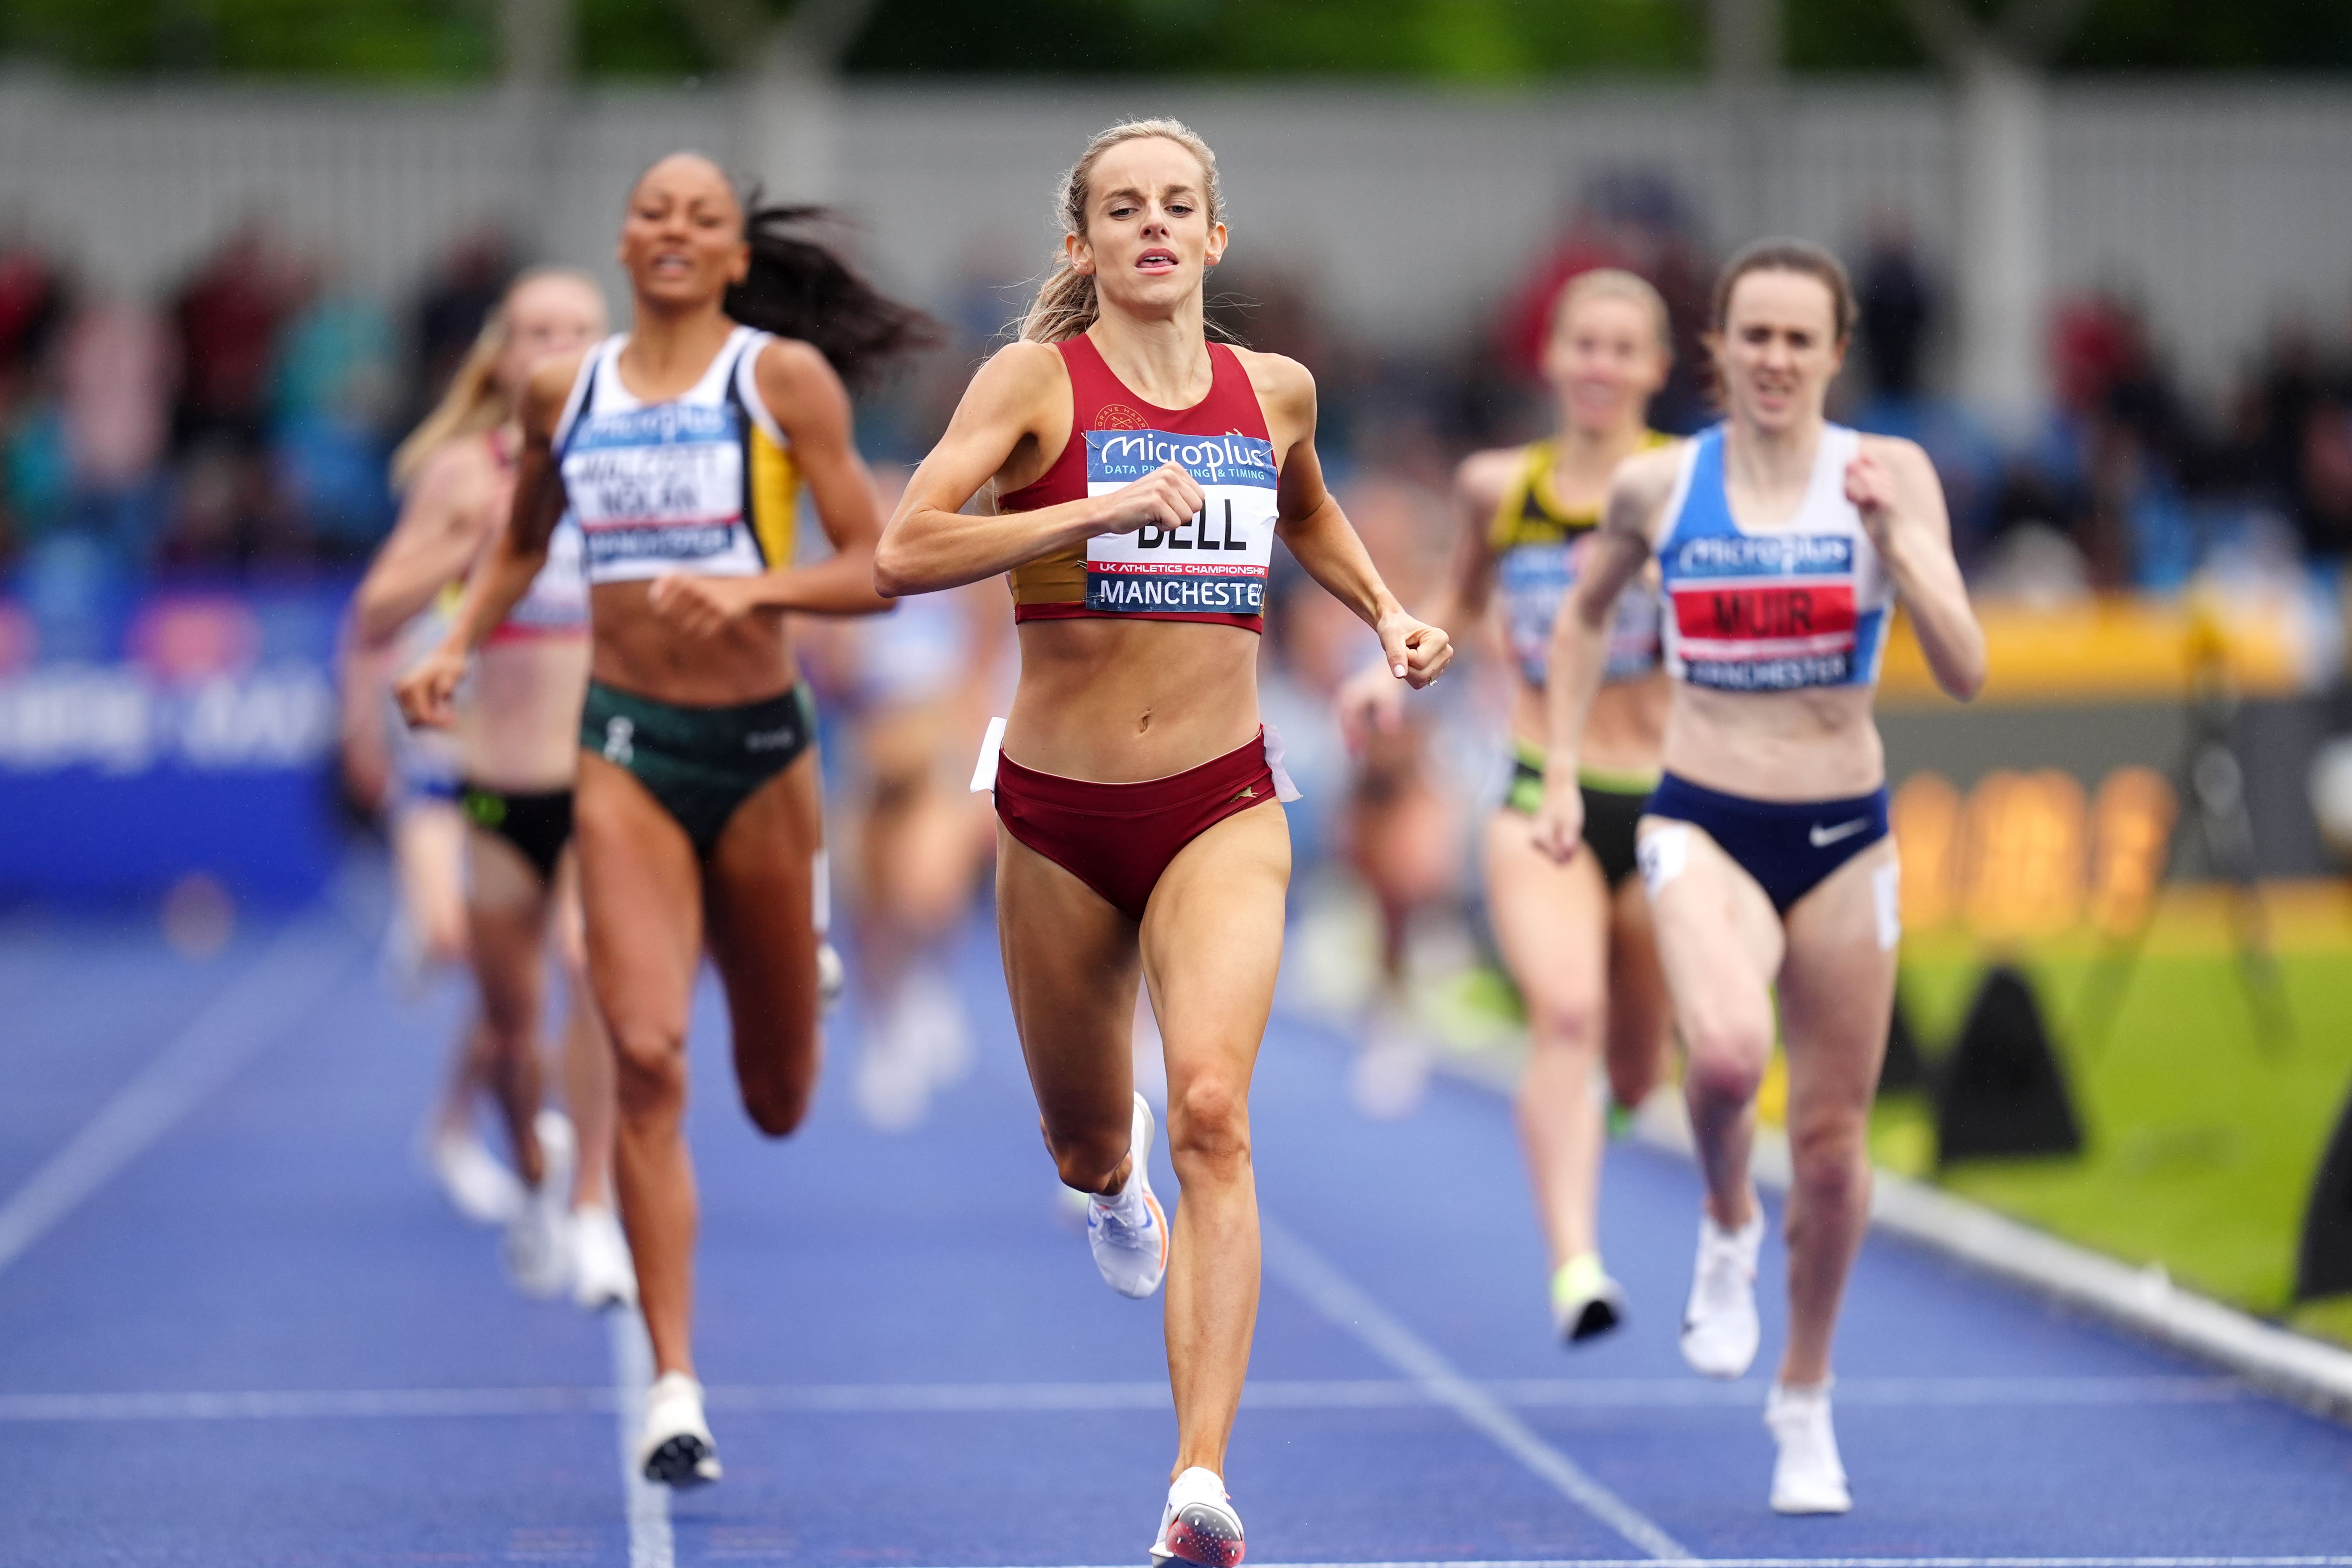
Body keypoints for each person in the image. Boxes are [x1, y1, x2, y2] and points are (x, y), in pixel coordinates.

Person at [874, 118, 1450, 1564]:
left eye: (1175, 205)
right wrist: (1098, 506)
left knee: (1213, 1111)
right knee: (1091, 1139)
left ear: (1214, 238)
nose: (1150, 226)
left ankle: (1200, 1480)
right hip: (1059, 818)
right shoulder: (1031, 385)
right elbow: (905, 546)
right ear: (1082, 246)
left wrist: (1384, 613)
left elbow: (1308, 517)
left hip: (1222, 804)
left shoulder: (1277, 392)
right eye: (1120, 208)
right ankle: (1103, 1187)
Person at [398, 153, 925, 1486]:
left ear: (737, 255)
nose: (675, 231)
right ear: (625, 246)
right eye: (652, 213)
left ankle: (797, 967)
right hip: (622, 747)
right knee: (641, 1053)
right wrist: (458, 642)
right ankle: (675, 1384)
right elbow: (521, 543)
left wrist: (754, 597)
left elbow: (879, 568)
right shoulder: (558, 390)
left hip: (757, 754)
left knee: (778, 1097)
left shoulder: (777, 382)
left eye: (704, 217)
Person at [1531, 240, 1985, 1515]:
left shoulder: (1886, 477)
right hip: (1705, 819)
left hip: (1845, 832)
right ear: (1717, 353)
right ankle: (1728, 1216)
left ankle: (1805, 1393)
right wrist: (1563, 768)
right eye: (1755, 337)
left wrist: (1903, 545)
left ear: (1838, 352)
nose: (1777, 359)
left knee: (1835, 1151)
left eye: (1801, 339)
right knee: (1727, 1056)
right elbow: (1578, 620)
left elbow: (1963, 664)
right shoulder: (1662, 486)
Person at [1340, 268, 1676, 1344]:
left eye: (1624, 348)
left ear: (1655, 369)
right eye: (1584, 344)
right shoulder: (1500, 487)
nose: (1600, 366)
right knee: (1563, 1016)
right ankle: (1575, 1264)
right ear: (1551, 357)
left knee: (1634, 1059)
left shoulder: (1688, 483)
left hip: (1669, 796)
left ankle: (1623, 1098)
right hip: (1540, 788)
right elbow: (1459, 599)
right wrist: (1385, 664)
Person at [352, 267, 634, 1309]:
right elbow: (378, 610)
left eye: (577, 329)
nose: (555, 345)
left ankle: (594, 1205)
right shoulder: (464, 477)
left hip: (608, 775)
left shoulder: (637, 464)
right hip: (494, 790)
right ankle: (531, 1172)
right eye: (535, 331)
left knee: (595, 974)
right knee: (511, 1030)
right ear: (501, 355)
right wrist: (477, 545)